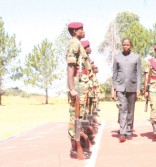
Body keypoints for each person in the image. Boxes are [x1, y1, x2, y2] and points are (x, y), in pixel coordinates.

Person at [66, 22, 91, 159]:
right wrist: (71, 88)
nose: (83, 31)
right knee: (74, 118)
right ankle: (74, 148)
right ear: (75, 31)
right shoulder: (74, 43)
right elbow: (71, 66)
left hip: (81, 85)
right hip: (76, 85)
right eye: (81, 29)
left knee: (79, 117)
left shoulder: (78, 44)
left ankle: (78, 145)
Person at [112, 38, 142, 142]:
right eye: (124, 45)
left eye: (128, 45)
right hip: (120, 87)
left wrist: (138, 88)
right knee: (122, 109)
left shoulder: (136, 57)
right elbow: (114, 74)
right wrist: (114, 88)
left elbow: (139, 74)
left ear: (131, 45)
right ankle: (122, 132)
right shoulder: (117, 57)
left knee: (130, 110)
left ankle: (129, 130)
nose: (126, 46)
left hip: (132, 87)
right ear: (122, 45)